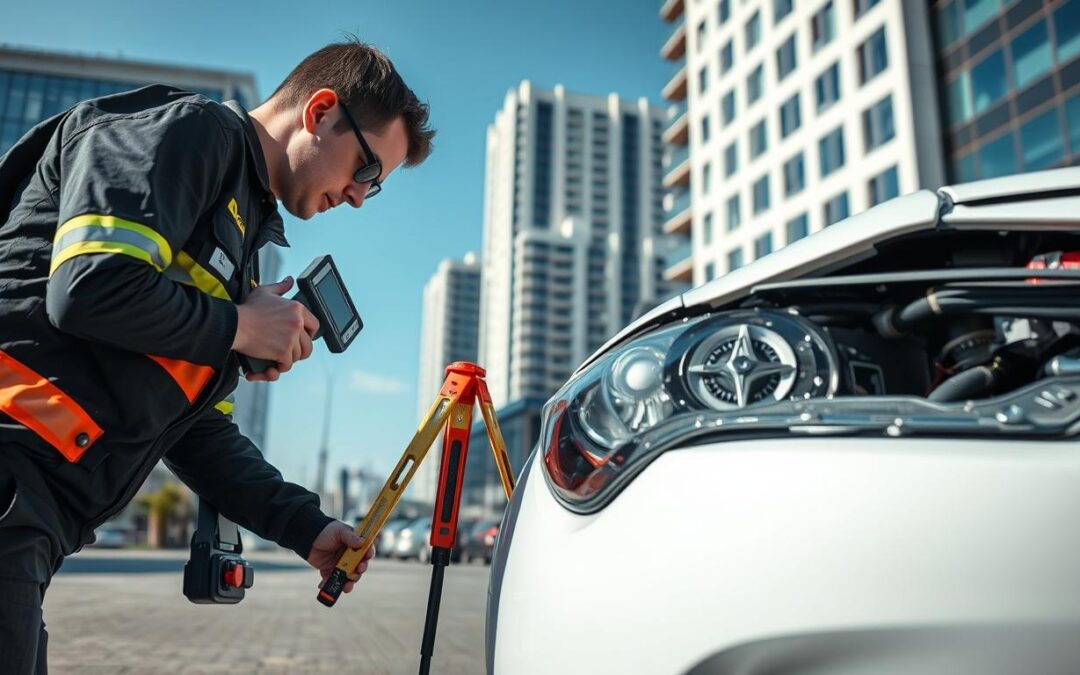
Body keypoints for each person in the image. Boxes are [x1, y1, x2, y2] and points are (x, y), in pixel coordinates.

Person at [0, 37, 434, 672]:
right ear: (318, 113)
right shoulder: (188, 132)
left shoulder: (239, 245)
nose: (361, 197)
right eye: (366, 171)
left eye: (377, 188)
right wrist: (236, 327)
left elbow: (199, 433)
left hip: (33, 514)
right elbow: (89, 284)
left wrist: (304, 527)